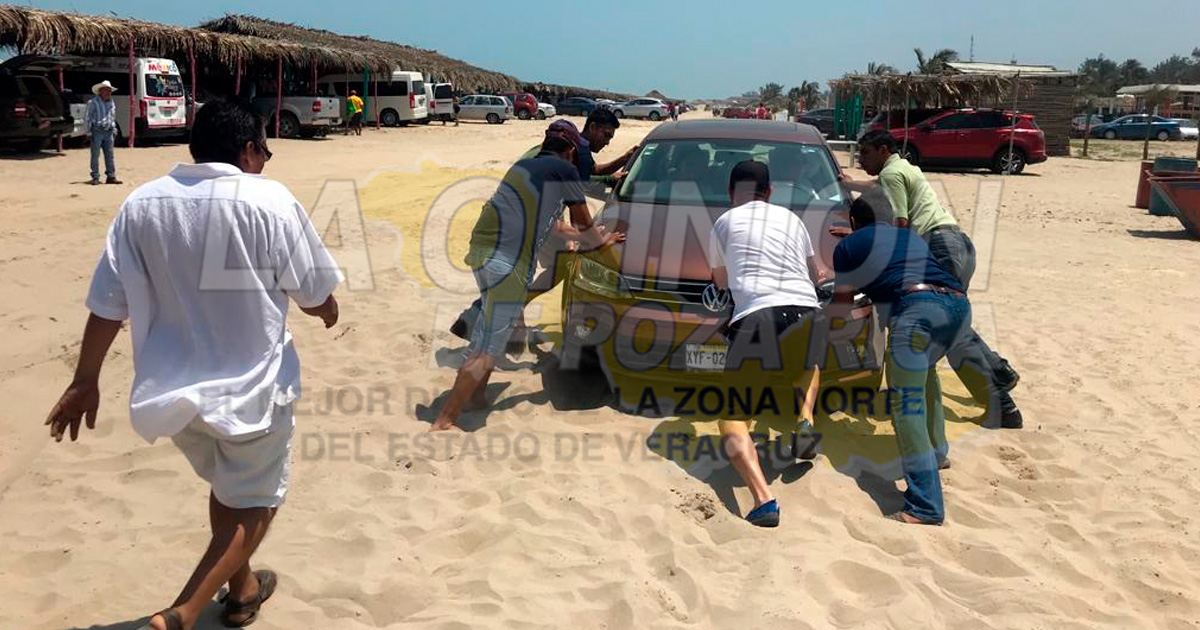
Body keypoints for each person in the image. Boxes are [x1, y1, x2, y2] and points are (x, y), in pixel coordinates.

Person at [44, 97, 343, 630]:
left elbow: (107, 305)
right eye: (265, 150)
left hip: (173, 394)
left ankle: (244, 592)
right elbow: (313, 291)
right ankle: (180, 613)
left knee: (228, 490)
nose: (267, 161)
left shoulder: (142, 204)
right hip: (253, 388)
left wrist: (85, 380)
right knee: (257, 503)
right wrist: (327, 310)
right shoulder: (267, 200)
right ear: (250, 149)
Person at [433, 135, 624, 431]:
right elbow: (584, 222)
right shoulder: (566, 170)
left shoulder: (526, 167)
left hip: (480, 251)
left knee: (494, 327)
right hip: (508, 261)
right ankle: (446, 418)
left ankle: (477, 397)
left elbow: (557, 225)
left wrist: (579, 238)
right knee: (487, 344)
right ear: (571, 151)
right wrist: (602, 241)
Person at [847, 130, 1023, 430]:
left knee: (944, 330)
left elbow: (900, 223)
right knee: (952, 321)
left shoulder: (891, 176)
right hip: (957, 243)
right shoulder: (901, 168)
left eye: (864, 153)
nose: (859, 160)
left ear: (883, 150)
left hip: (938, 247)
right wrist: (849, 184)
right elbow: (880, 185)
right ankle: (999, 371)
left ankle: (1001, 406)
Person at [829, 191, 969, 525]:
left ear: (852, 222)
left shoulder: (847, 248)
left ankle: (925, 507)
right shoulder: (909, 237)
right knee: (927, 374)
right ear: (891, 220)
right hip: (958, 308)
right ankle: (938, 454)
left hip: (915, 312)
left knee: (906, 406)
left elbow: (841, 304)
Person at [449, 112, 638, 343]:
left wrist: (618, 165)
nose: (608, 140)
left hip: (497, 227)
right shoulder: (575, 153)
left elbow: (584, 179)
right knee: (563, 262)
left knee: (520, 277)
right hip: (524, 228)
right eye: (607, 134)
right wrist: (591, 237)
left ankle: (497, 321)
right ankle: (504, 311)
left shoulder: (551, 148)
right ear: (592, 128)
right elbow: (577, 190)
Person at [708, 161, 827, 528]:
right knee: (807, 365)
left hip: (759, 315)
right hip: (808, 311)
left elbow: (721, 282)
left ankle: (763, 500)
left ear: (731, 194)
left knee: (731, 416)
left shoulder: (725, 222)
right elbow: (815, 273)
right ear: (770, 192)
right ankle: (805, 420)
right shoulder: (793, 219)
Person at [85, 80, 121, 185]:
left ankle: (111, 176)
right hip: (97, 131)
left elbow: (112, 116)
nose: (109, 93)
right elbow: (88, 118)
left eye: (109, 91)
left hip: (109, 131)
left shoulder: (111, 102)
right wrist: (89, 132)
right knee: (95, 155)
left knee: (109, 155)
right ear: (101, 91)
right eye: (106, 90)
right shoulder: (93, 102)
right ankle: (95, 176)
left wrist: (114, 128)